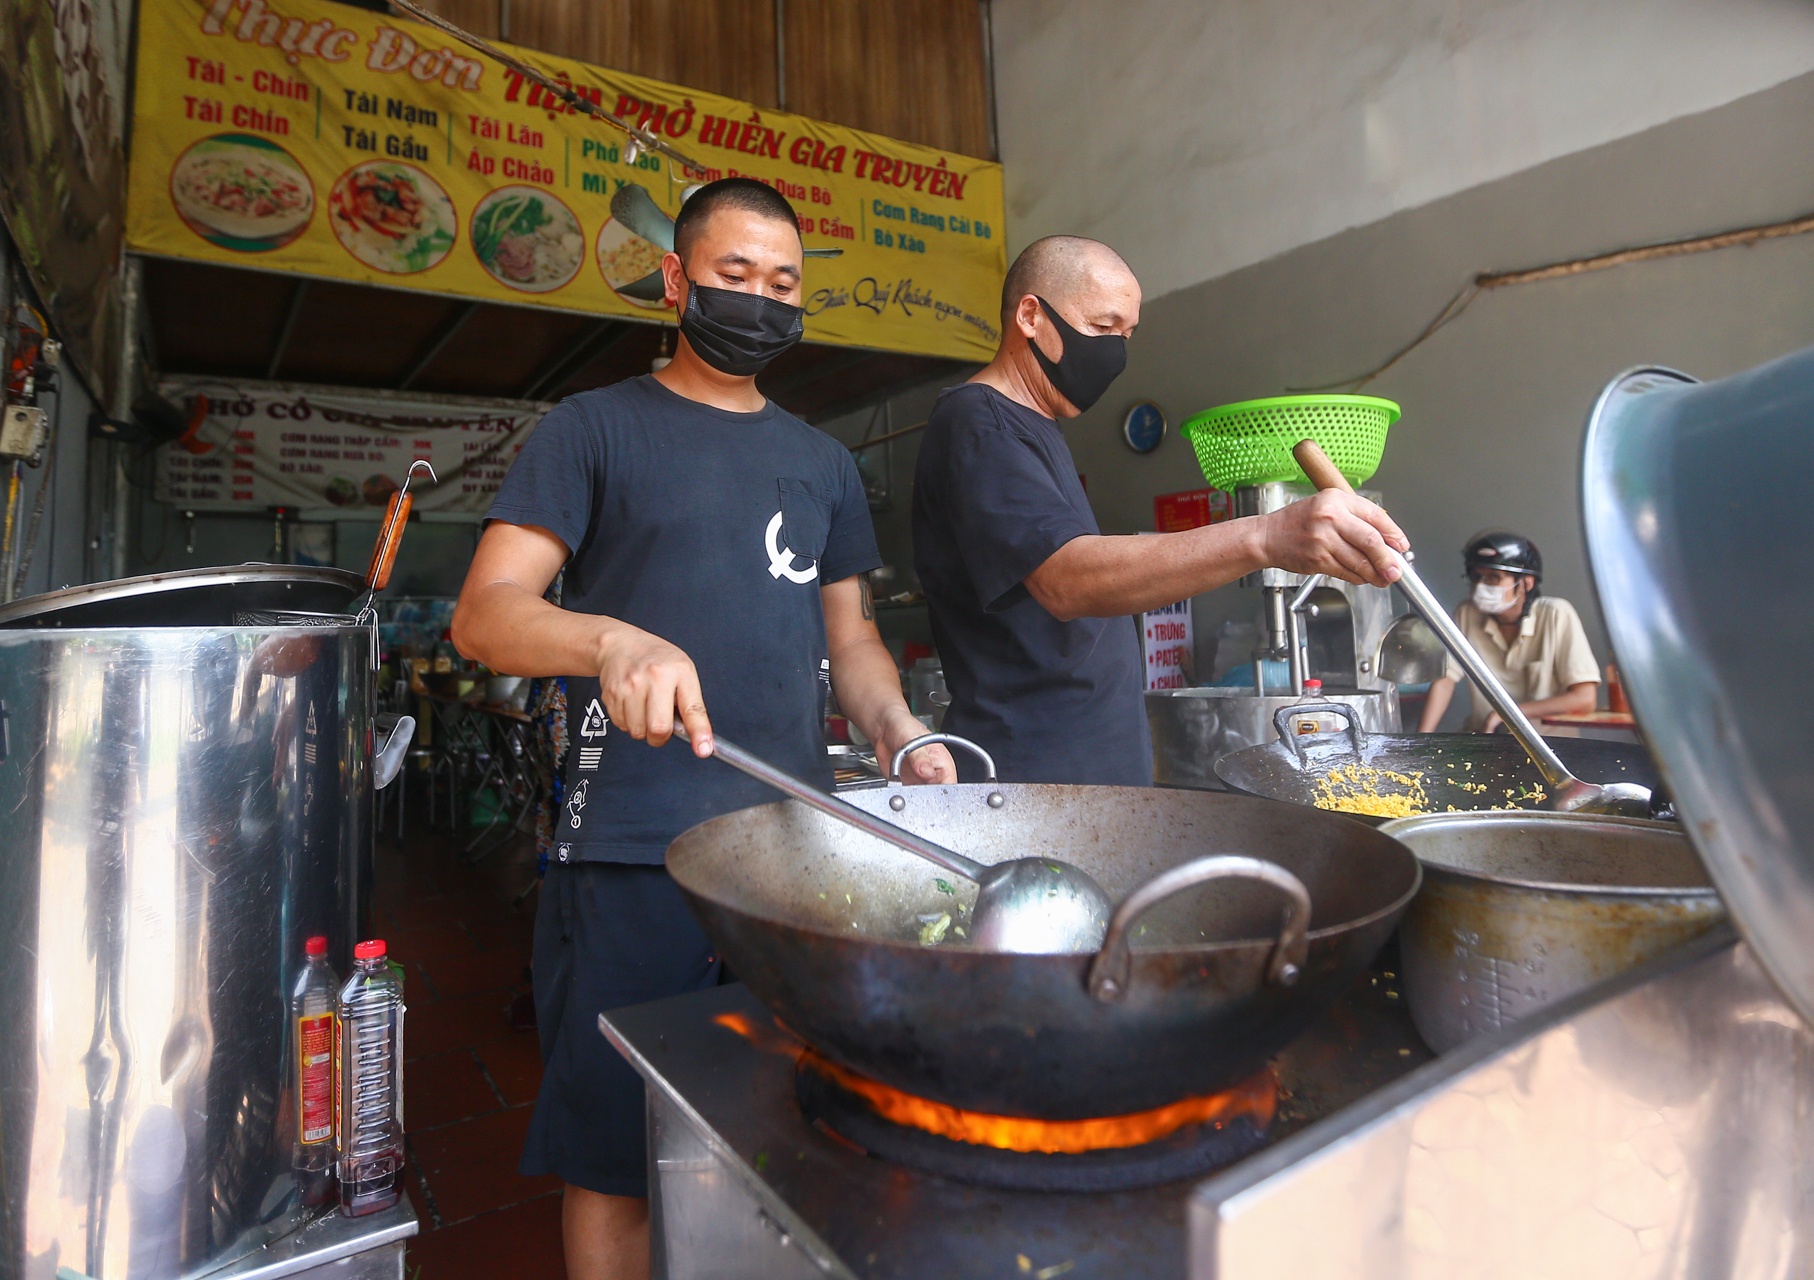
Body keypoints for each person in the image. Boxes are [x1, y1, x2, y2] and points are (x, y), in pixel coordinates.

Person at [450, 177, 954, 1280]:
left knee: (775, 1124)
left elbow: (852, 639)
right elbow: (485, 615)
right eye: (736, 277)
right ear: (676, 281)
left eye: (784, 284)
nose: (763, 301)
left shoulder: (823, 463)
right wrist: (608, 642)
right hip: (634, 847)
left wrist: (899, 730)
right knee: (620, 1153)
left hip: (788, 851)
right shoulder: (592, 429)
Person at [911, 234, 1410, 783]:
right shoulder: (979, 422)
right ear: (1030, 315)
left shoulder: (1035, 428)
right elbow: (1066, 579)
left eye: (1126, 335)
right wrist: (1266, 537)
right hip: (1030, 776)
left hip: (1089, 773)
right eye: (1102, 328)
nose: (1116, 352)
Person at [1415, 531, 1601, 735]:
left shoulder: (1556, 615)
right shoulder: (1467, 614)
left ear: (1526, 583)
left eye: (1494, 578)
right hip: (1485, 742)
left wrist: (1510, 714)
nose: (1482, 586)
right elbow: (1444, 682)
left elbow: (1585, 699)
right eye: (1477, 577)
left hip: (1549, 748)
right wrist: (1421, 741)